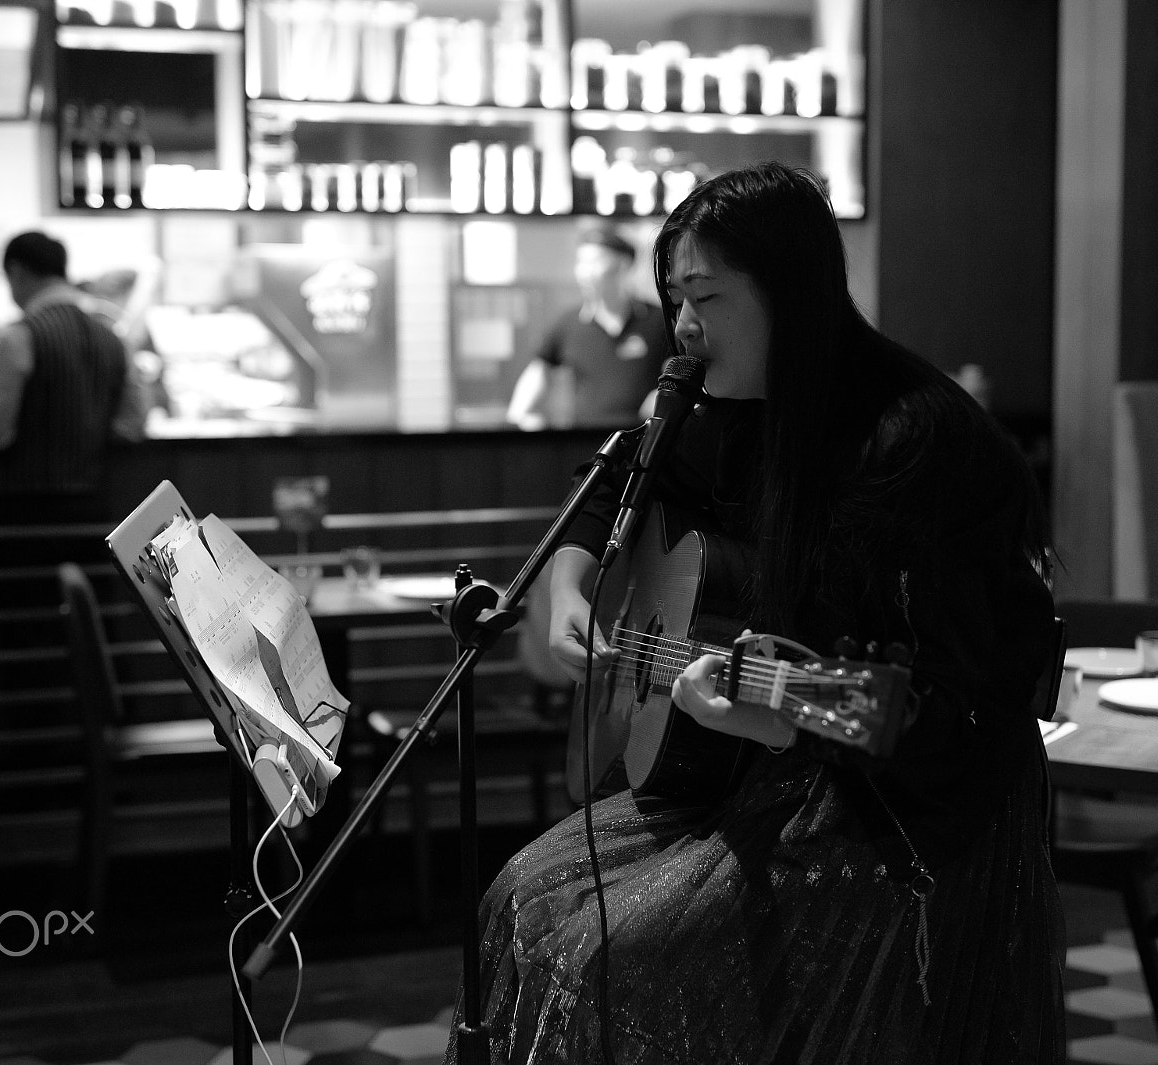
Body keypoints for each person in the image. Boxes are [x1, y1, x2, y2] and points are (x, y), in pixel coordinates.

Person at [451, 163, 1065, 1064]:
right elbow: (622, 475)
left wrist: (777, 716)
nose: (684, 326)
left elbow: (950, 704)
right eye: (673, 299)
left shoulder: (914, 444)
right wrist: (564, 584)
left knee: (599, 957)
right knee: (517, 899)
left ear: (791, 290)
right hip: (778, 770)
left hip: (910, 814)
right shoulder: (729, 404)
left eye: (705, 295)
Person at [0, 231, 149, 524]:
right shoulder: (112, 338)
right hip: (95, 505)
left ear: (16, 272)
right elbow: (133, 423)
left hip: (25, 511)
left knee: (26, 573)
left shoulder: (16, 337)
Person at [505, 224, 671, 430]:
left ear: (624, 264)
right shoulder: (570, 322)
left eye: (595, 261)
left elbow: (681, 369)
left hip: (644, 445)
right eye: (581, 262)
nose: (585, 272)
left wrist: (663, 397)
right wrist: (520, 415)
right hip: (584, 444)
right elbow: (540, 370)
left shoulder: (657, 320)